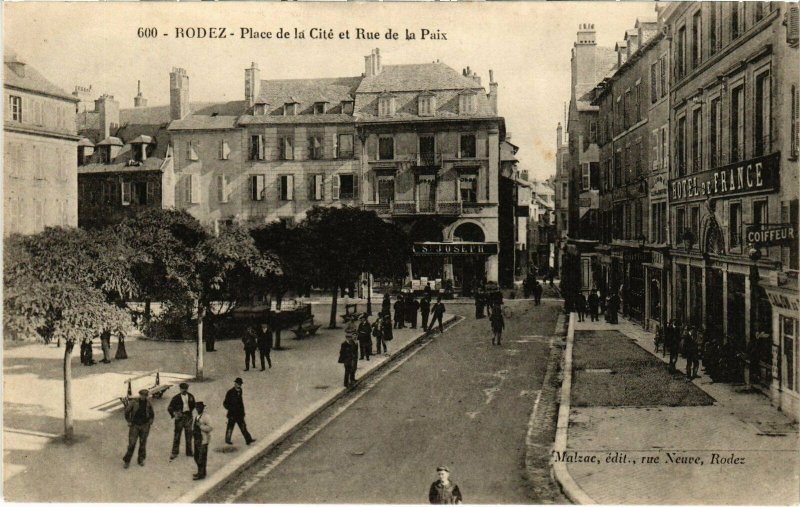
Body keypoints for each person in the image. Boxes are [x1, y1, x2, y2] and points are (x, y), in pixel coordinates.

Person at [123, 389, 154, 468]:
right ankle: (127, 461)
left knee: (143, 443)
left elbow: (152, 414)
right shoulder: (134, 402)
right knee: (132, 443)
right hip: (135, 425)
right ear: (139, 395)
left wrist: (150, 422)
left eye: (145, 395)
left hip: (145, 425)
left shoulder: (148, 403)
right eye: (142, 395)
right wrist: (129, 421)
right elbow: (127, 412)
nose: (143, 397)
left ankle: (141, 459)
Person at [167, 382, 196, 460]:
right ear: (180, 389)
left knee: (189, 435)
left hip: (188, 417)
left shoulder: (191, 396)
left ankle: (189, 452)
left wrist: (189, 412)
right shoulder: (176, 398)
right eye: (182, 389)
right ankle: (174, 452)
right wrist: (175, 414)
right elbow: (169, 408)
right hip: (180, 418)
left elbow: (193, 405)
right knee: (177, 435)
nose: (184, 390)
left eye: (185, 389)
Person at [223, 378, 255, 445]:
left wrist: (243, 412)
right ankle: (227, 440)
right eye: (237, 384)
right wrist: (230, 408)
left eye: (240, 384)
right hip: (232, 414)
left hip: (239, 414)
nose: (239, 385)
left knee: (243, 427)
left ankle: (248, 440)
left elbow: (241, 402)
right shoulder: (230, 392)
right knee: (230, 427)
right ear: (235, 384)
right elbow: (225, 403)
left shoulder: (240, 391)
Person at [192, 401, 212, 480]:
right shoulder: (197, 416)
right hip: (197, 439)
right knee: (196, 457)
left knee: (201, 458)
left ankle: (201, 474)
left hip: (203, 440)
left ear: (203, 408)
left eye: (199, 408)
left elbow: (210, 428)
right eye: (197, 408)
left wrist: (200, 426)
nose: (198, 409)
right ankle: (202, 471)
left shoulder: (206, 417)